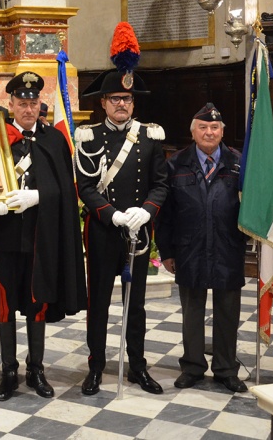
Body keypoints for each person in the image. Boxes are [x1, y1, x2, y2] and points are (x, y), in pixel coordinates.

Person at [0, 73, 86, 401]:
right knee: (4, 303)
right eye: (21, 103)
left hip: (40, 235)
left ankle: (36, 368)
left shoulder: (53, 140)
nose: (28, 109)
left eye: (33, 103)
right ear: (10, 104)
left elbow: (65, 191)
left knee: (36, 302)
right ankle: (8, 371)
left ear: (39, 105)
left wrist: (39, 196)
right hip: (2, 235)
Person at [75, 63, 168, 396]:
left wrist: (145, 213)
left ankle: (138, 367)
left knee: (137, 305)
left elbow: (161, 184)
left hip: (138, 234)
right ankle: (96, 367)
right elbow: (85, 186)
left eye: (126, 98)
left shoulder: (150, 136)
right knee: (98, 303)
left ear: (133, 101)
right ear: (103, 102)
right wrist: (111, 214)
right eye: (114, 98)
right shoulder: (89, 136)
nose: (121, 104)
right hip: (103, 231)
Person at [156, 103, 247, 393]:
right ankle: (193, 366)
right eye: (203, 127)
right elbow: (165, 214)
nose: (209, 132)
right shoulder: (175, 164)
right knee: (192, 312)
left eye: (215, 127)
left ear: (222, 131)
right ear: (193, 132)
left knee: (228, 312)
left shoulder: (238, 162)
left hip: (227, 248)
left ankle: (225, 369)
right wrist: (167, 252)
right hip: (189, 249)